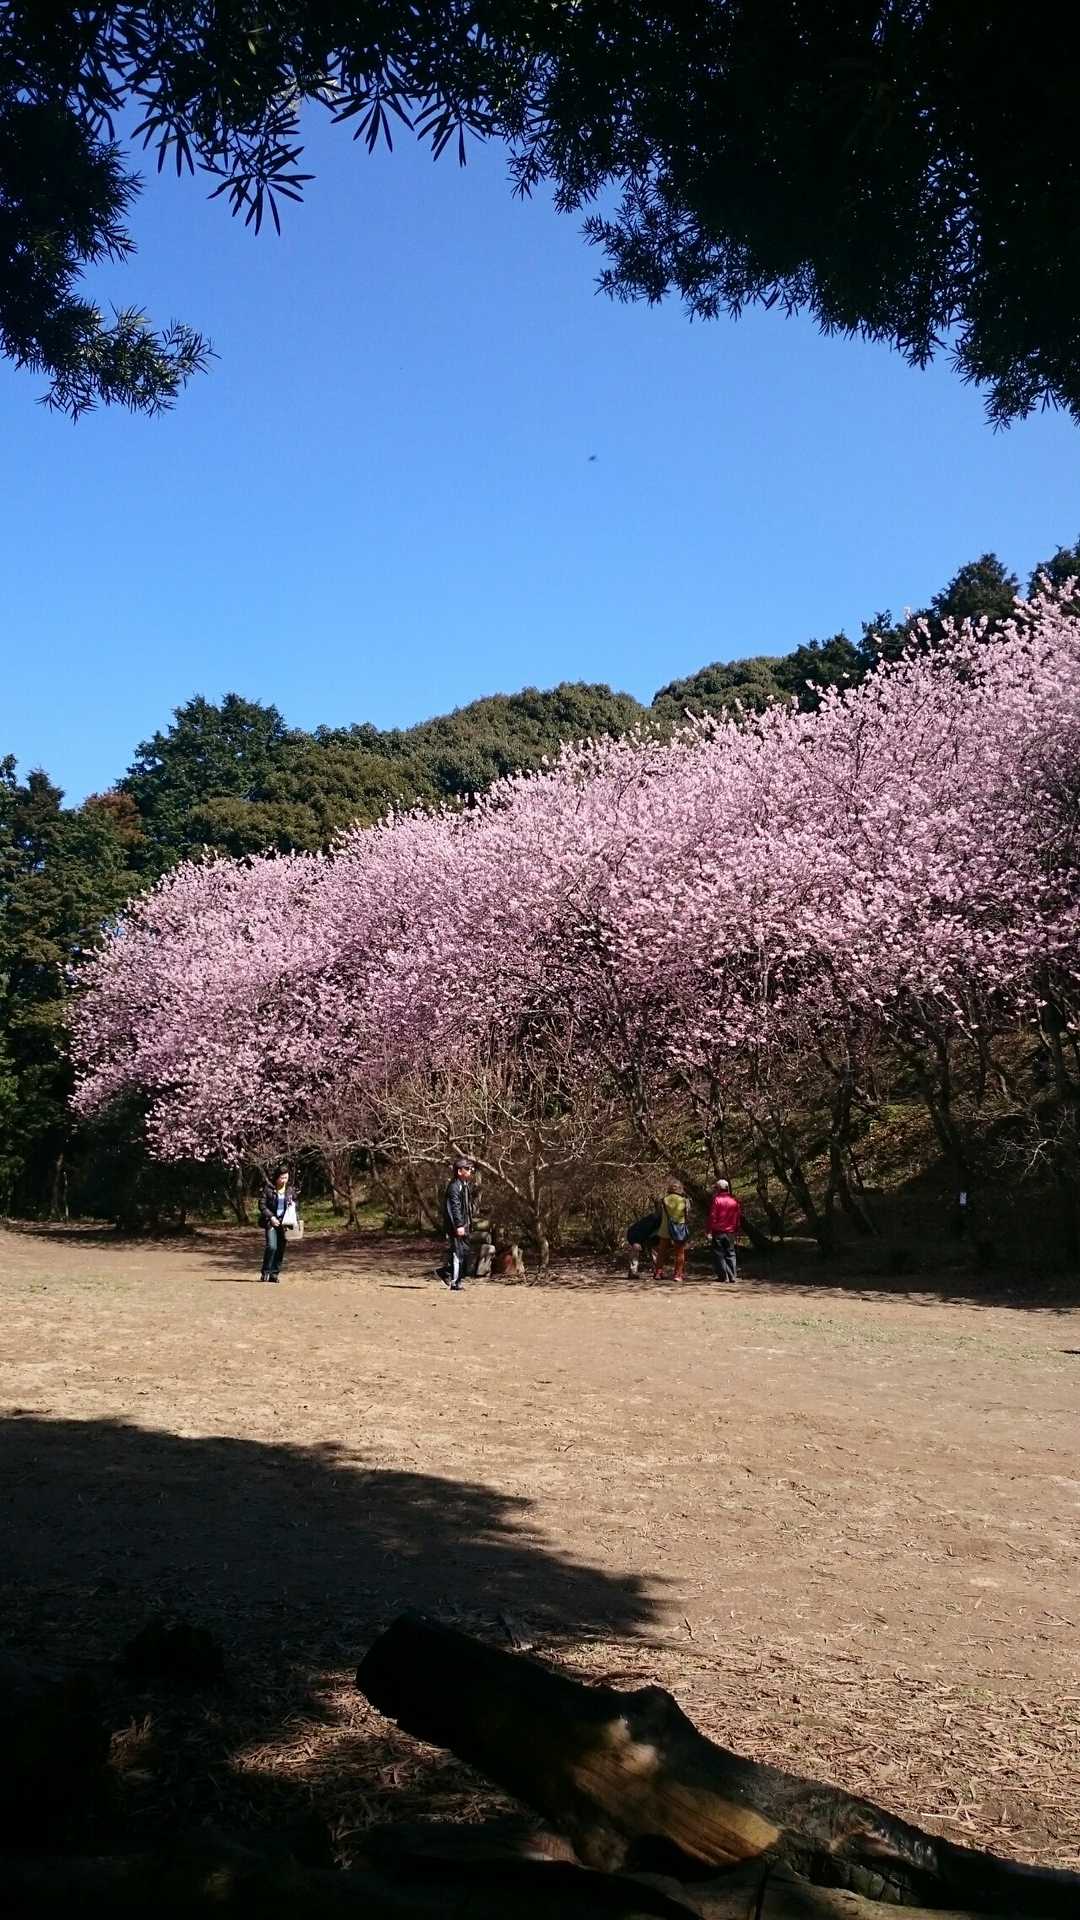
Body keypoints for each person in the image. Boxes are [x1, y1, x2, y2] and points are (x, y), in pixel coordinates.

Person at [258, 1164, 297, 1283]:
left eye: (286, 1177)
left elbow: (296, 1203)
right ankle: (265, 1272)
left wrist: (293, 1207)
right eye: (282, 1178)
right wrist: (271, 1217)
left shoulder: (290, 1190)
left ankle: (274, 1274)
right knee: (272, 1246)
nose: (284, 1180)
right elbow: (262, 1205)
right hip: (271, 1221)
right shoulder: (268, 1189)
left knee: (280, 1249)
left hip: (285, 1222)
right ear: (277, 1177)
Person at [440, 1157, 474, 1290]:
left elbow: (466, 1207)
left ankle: (445, 1273)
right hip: (456, 1226)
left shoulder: (464, 1185)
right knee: (458, 1253)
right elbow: (454, 1208)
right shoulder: (454, 1187)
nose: (470, 1170)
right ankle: (455, 1282)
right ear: (459, 1171)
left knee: (465, 1253)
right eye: (467, 1168)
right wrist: (459, 1225)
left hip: (464, 1225)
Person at [654, 1179, 691, 1281]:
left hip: (665, 1228)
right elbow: (687, 1215)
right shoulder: (684, 1201)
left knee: (661, 1252)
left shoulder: (663, 1200)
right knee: (679, 1252)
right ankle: (678, 1275)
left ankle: (658, 1273)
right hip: (679, 1229)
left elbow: (658, 1215)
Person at [707, 1177, 742, 1282]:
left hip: (718, 1231)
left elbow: (712, 1216)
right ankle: (732, 1276)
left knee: (719, 1254)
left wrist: (709, 1230)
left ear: (718, 1189)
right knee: (731, 1253)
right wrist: (737, 1229)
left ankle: (723, 1276)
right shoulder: (734, 1201)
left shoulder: (717, 1200)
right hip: (731, 1231)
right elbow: (738, 1217)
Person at [625, 1207, 661, 1278]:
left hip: (648, 1236)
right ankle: (633, 1272)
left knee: (655, 1251)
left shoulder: (658, 1221)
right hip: (635, 1235)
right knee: (636, 1250)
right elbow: (644, 1232)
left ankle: (657, 1271)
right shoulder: (654, 1219)